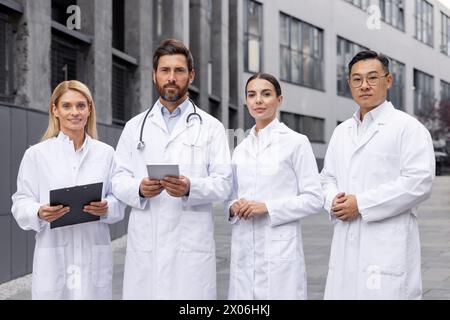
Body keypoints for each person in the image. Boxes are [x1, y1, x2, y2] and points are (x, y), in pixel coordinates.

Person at [111, 39, 232, 300]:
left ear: (191, 75)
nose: (171, 78)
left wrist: (191, 187)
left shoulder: (211, 127)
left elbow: (224, 182)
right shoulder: (135, 127)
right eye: (165, 70)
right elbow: (117, 179)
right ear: (154, 75)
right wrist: (139, 189)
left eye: (179, 71)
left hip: (191, 247)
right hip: (147, 243)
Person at [321, 50, 435, 299]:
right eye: (357, 79)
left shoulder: (408, 128)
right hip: (345, 241)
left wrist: (360, 204)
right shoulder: (342, 132)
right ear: (349, 83)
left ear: (389, 81)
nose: (364, 85)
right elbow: (327, 177)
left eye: (372, 78)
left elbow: (419, 182)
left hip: (386, 246)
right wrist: (334, 201)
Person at [11, 80, 125, 300]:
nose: (75, 112)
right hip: (53, 255)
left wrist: (107, 207)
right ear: (55, 110)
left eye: (81, 105)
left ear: (89, 109)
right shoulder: (37, 155)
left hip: (94, 252)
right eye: (67, 106)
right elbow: (21, 201)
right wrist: (38, 211)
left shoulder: (106, 154)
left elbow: (118, 199)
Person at [226, 73, 324, 300]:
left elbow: (314, 198)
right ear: (246, 101)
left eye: (266, 94)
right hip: (243, 248)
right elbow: (230, 195)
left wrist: (267, 207)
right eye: (252, 95)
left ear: (279, 100)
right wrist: (233, 206)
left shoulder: (296, 142)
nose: (258, 100)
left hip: (279, 248)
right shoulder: (240, 149)